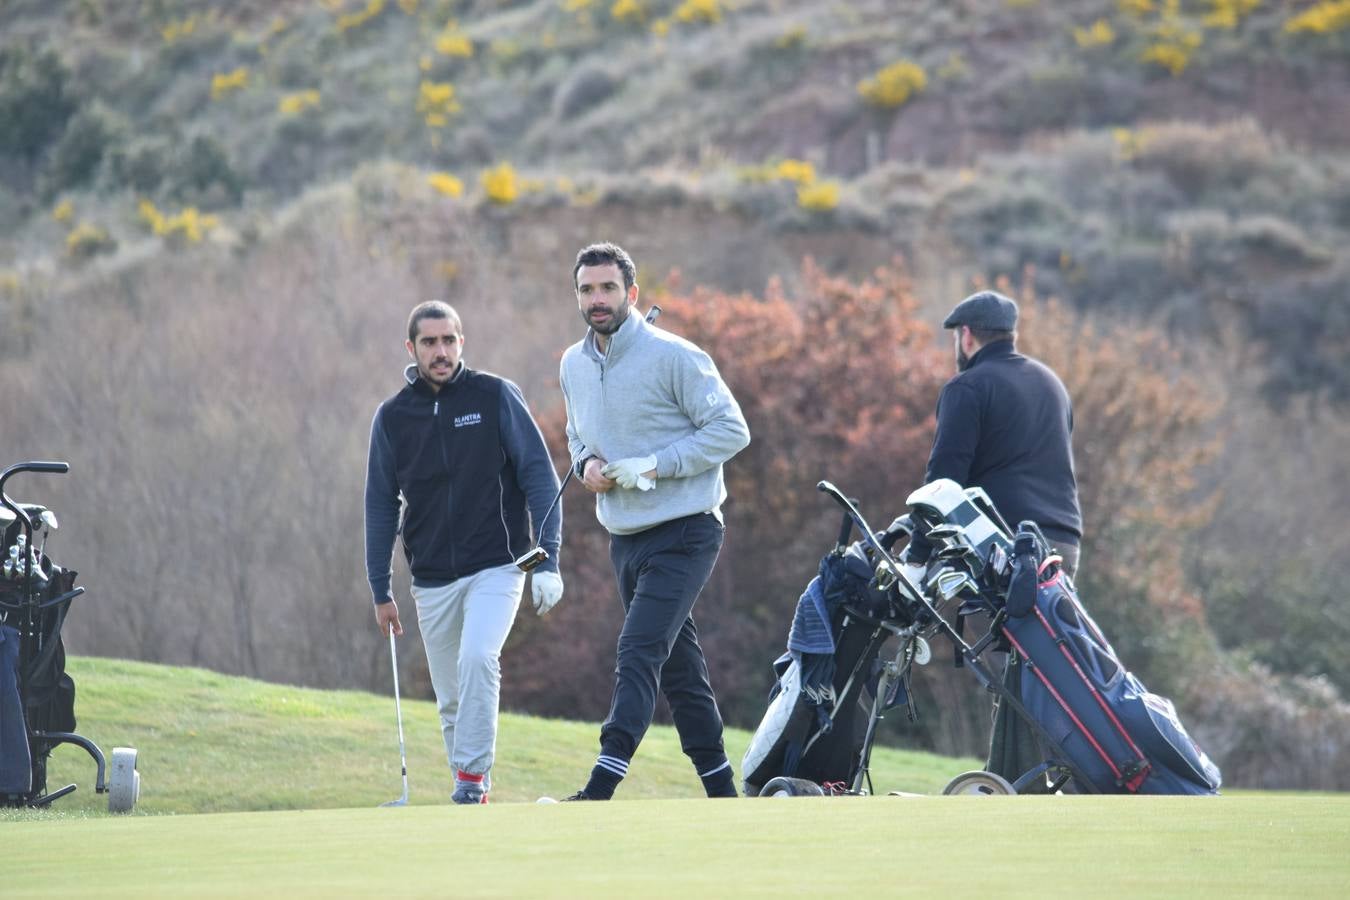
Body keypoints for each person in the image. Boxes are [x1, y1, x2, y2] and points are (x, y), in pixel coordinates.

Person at [558, 242, 750, 801]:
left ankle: (602, 783)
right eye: (587, 289)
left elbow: (731, 430)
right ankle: (721, 789)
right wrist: (586, 464)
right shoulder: (572, 363)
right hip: (624, 537)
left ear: (632, 294)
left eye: (608, 288)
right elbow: (576, 436)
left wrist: (658, 465)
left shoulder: (675, 356)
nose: (598, 299)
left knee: (638, 648)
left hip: (687, 530)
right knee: (679, 668)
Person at [364, 301, 563, 805]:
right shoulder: (392, 419)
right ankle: (470, 790)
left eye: (449, 340)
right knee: (451, 697)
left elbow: (540, 477)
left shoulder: (495, 396)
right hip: (431, 577)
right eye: (430, 342)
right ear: (412, 349)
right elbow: (380, 505)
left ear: (462, 342)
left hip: (500, 564)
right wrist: (380, 588)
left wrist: (548, 559)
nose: (441, 351)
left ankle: (471, 779)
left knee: (479, 657)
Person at [908, 289, 1082, 788]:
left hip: (1003, 549)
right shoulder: (1051, 383)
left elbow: (942, 483)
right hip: (1063, 542)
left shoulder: (968, 388)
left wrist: (918, 558)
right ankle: (1045, 778)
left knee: (1007, 674)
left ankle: (1019, 783)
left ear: (966, 336)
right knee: (1050, 667)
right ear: (1012, 334)